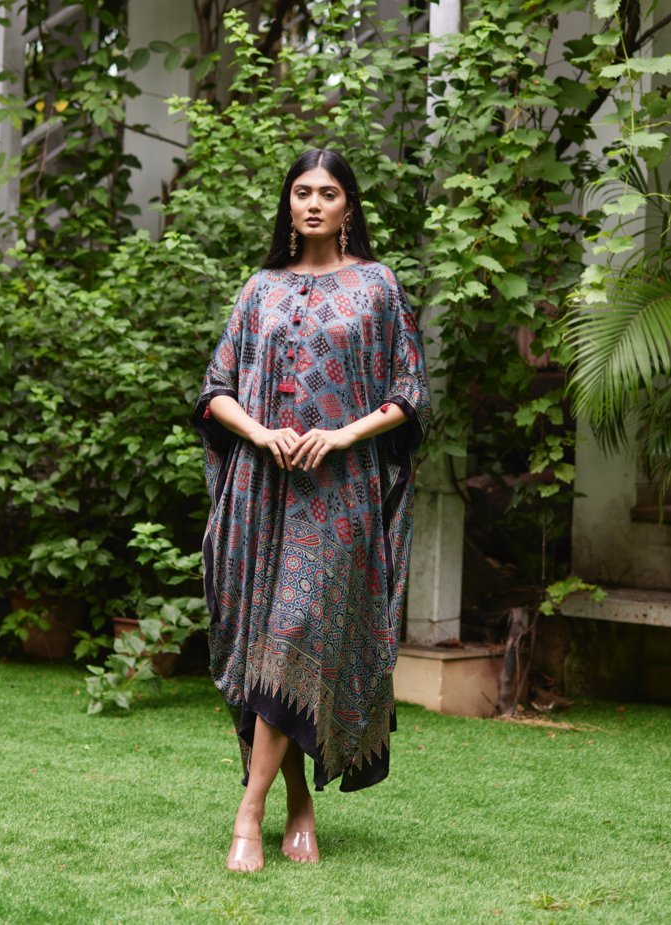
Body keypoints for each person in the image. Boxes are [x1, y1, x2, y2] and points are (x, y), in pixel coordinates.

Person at [193, 148, 431, 872]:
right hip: (259, 492)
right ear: (288, 205)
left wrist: (342, 434)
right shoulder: (259, 289)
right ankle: (299, 804)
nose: (314, 203)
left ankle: (248, 813)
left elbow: (410, 391)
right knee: (261, 647)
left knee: (295, 631)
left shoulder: (377, 287)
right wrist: (262, 433)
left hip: (339, 495)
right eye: (302, 192)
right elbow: (215, 389)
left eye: (328, 192)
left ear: (347, 205)